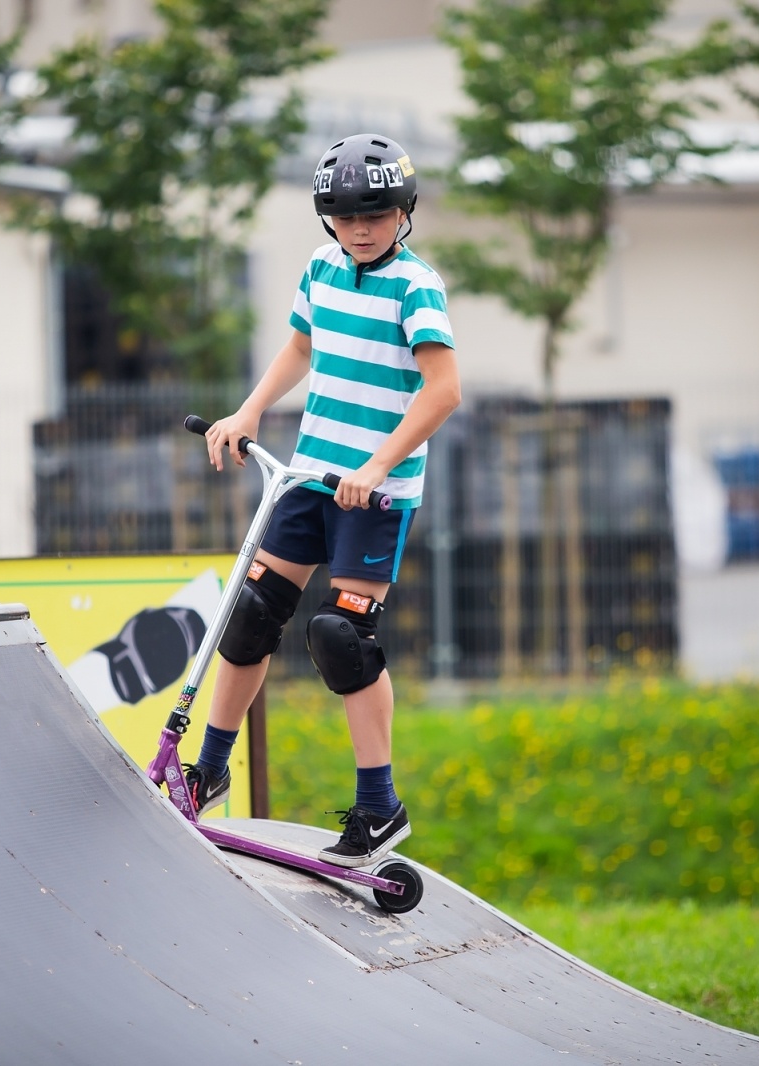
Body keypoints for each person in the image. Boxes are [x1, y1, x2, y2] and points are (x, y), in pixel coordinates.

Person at [186, 133, 461, 869]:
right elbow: (301, 349)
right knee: (250, 618)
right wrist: (247, 413)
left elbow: (444, 391)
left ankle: (379, 806)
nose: (360, 228)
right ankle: (207, 772)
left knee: (341, 639)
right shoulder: (320, 267)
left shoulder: (416, 285)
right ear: (326, 221)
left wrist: (375, 465)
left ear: (404, 211)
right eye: (343, 217)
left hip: (375, 493)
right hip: (308, 478)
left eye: (376, 213)